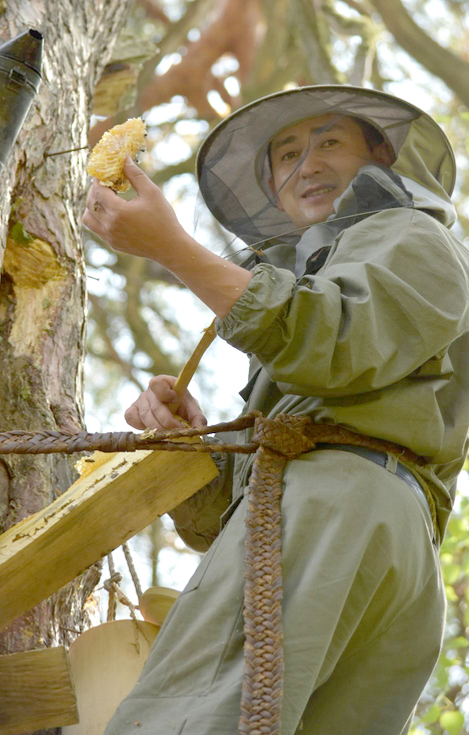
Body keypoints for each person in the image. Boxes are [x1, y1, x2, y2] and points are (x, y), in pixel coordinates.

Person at [83, 85, 469, 735]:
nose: (306, 164)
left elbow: (334, 337)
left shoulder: (406, 231)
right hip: (354, 529)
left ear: (379, 155)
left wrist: (174, 249)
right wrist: (194, 446)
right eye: (286, 154)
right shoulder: (326, 277)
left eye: (329, 142)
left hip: (339, 514)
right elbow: (229, 516)